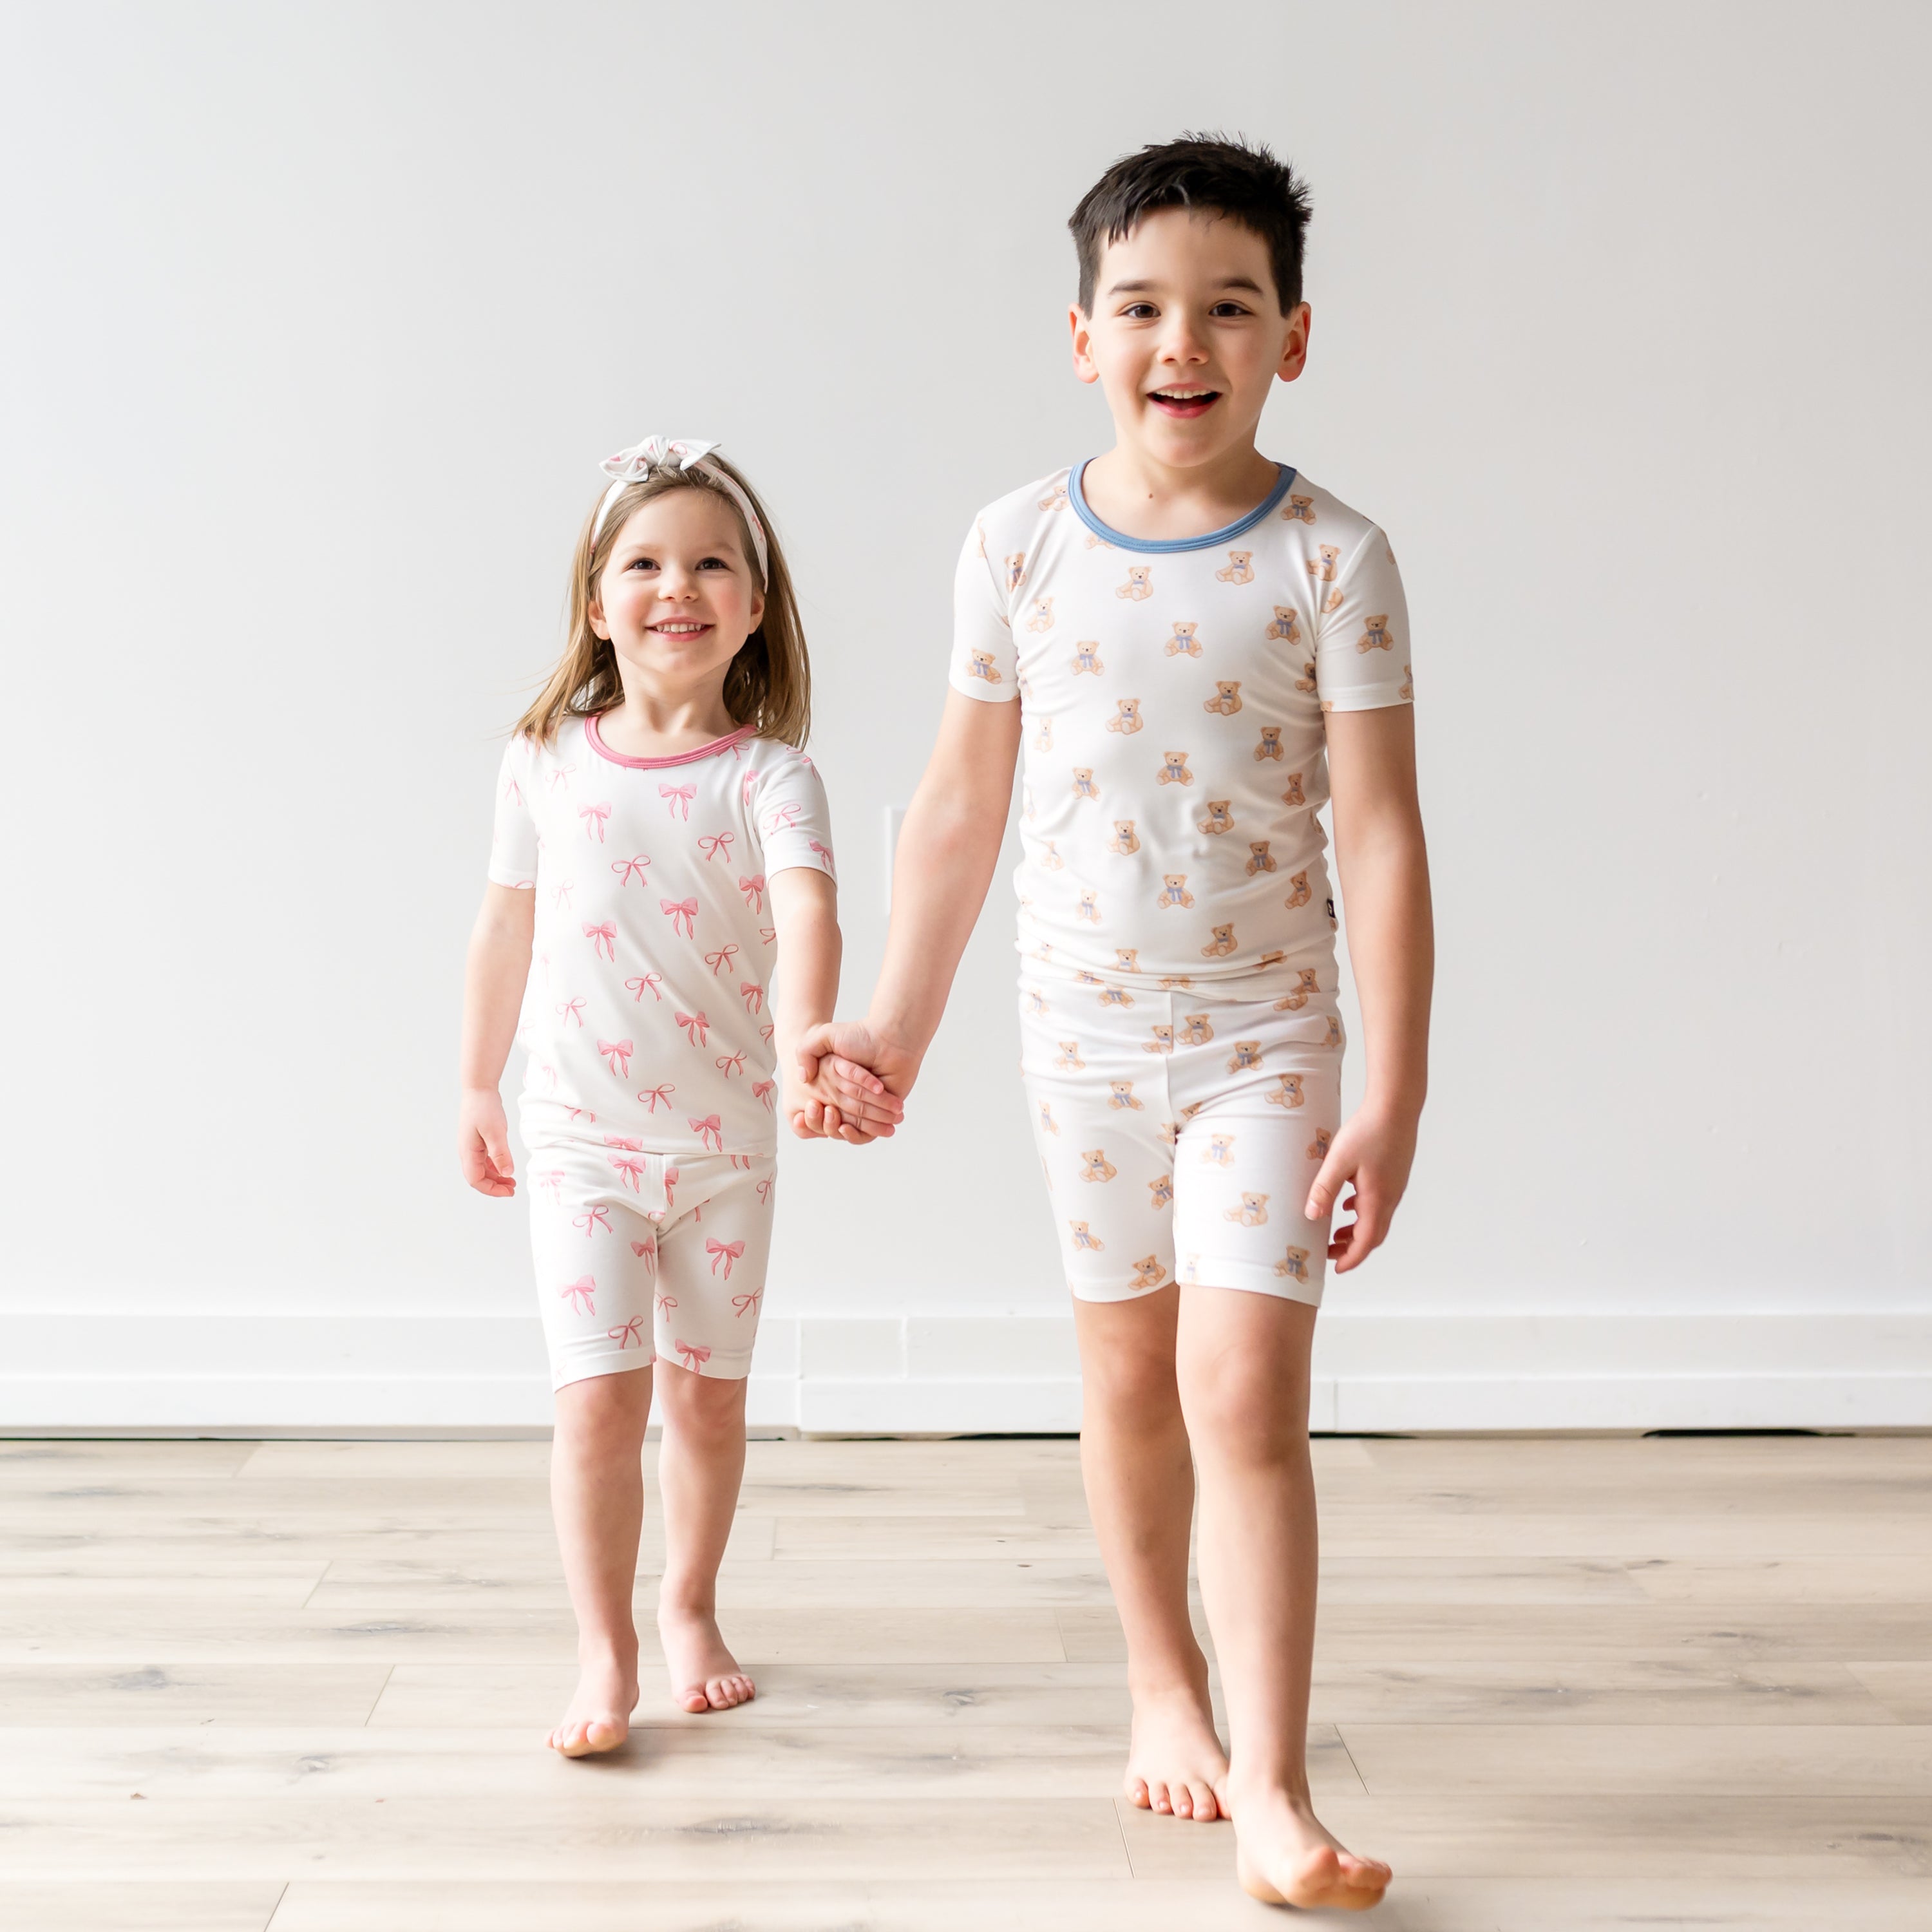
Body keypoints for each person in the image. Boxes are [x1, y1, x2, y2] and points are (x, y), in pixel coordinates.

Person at [800, 138, 1431, 1911]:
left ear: (1293, 337)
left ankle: (1275, 1786)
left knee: (1248, 1386)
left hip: (1266, 1035)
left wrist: (1395, 1091)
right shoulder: (1014, 545)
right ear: (1081, 332)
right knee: (1127, 1380)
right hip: (1076, 1042)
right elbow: (954, 809)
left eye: (1230, 308)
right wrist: (890, 1031)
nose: (1185, 342)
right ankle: (1164, 1681)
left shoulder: (1336, 558)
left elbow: (1380, 834)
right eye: (1144, 307)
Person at [457, 436, 898, 1757]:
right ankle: (602, 1646)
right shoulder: (543, 758)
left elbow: (811, 909)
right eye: (644, 562)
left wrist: (812, 1025)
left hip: (725, 1149)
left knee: (706, 1399)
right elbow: (502, 928)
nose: (678, 585)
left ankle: (690, 1604)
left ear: (756, 607)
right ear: (598, 601)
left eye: (714, 562)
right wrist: (475, 1081)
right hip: (581, 1137)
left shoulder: (772, 775)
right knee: (598, 1398)